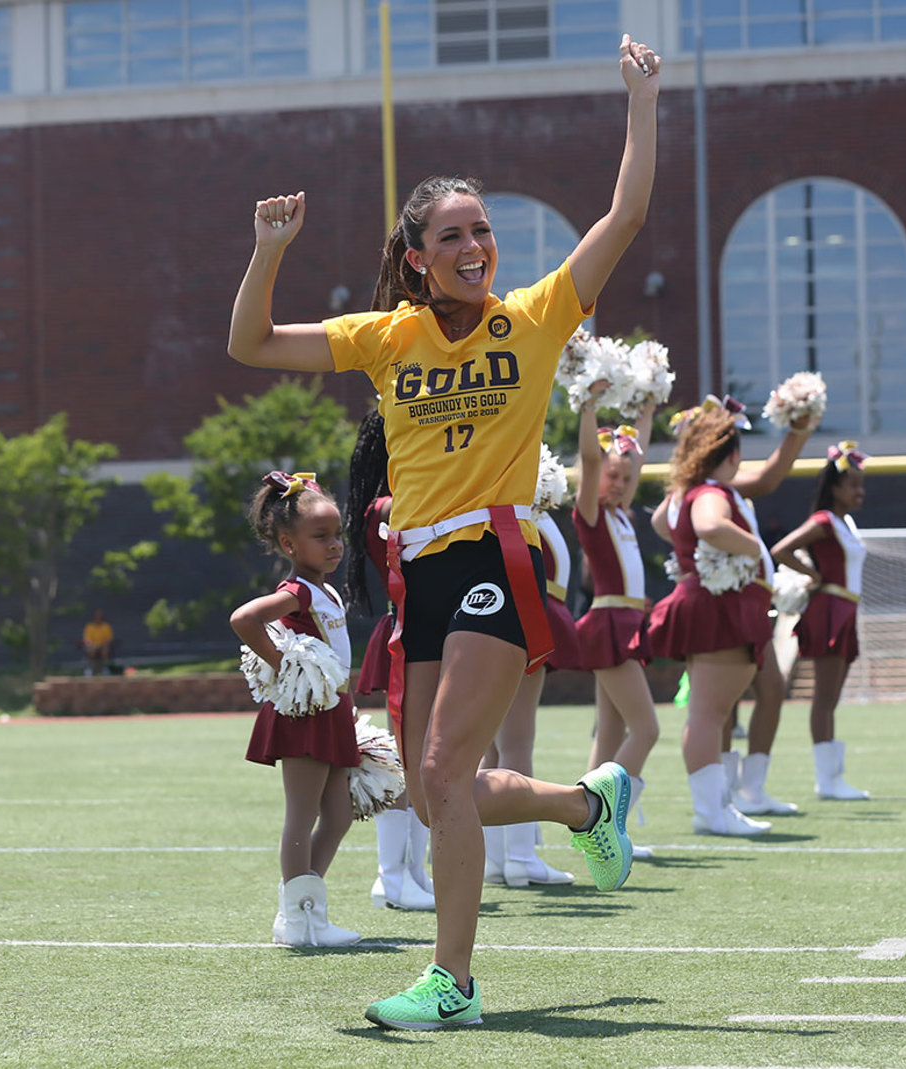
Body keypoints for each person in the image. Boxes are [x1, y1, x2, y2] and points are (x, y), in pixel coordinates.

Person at [228, 32, 660, 1031]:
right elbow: (249, 342)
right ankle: (588, 806)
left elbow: (626, 212)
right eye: (454, 237)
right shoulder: (391, 337)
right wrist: (267, 253)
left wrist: (640, 102)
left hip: (491, 557)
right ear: (417, 259)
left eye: (484, 232)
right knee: (436, 793)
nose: (476, 248)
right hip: (417, 574)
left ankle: (454, 982)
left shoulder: (538, 316)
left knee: (432, 774)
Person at [651, 401, 815, 824]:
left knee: (712, 711)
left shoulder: (688, 491)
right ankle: (712, 810)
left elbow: (663, 524)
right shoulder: (711, 493)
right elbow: (708, 526)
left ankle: (719, 804)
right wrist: (753, 549)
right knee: (708, 713)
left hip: (718, 603)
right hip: (719, 607)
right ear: (733, 454)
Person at [229, 471, 362, 948]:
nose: (334, 545)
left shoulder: (325, 589)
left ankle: (302, 907)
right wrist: (285, 664)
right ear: (288, 543)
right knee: (302, 814)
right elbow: (244, 619)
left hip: (332, 709)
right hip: (306, 712)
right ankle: (301, 922)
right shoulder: (299, 590)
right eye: (320, 536)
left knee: (340, 813)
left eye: (337, 535)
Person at [343, 409, 435, 911]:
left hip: (428, 633)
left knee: (422, 759)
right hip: (409, 633)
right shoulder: (387, 508)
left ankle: (411, 873)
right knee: (409, 760)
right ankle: (391, 878)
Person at [482, 447, 582, 888]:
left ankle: (497, 857)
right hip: (521, 620)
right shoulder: (515, 518)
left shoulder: (528, 517)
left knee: (493, 745)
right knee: (516, 743)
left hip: (515, 617)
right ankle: (519, 855)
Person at [573, 387, 659, 856]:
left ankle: (594, 826)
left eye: (626, 477)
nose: (621, 483)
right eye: (613, 476)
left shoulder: (622, 515)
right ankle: (602, 820)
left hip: (624, 622)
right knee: (646, 729)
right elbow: (590, 460)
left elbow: (636, 456)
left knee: (609, 733)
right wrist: (588, 407)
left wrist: (646, 408)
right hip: (608, 623)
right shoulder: (591, 516)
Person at [770, 441, 870, 800]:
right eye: (853, 484)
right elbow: (780, 549)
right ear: (835, 488)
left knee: (832, 698)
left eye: (861, 484)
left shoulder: (844, 523)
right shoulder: (824, 520)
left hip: (846, 609)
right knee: (824, 698)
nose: (860, 491)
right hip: (829, 608)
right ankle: (827, 781)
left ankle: (833, 778)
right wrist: (811, 573)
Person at [82, 609, 114, 676]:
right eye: (97, 616)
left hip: (103, 646)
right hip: (93, 646)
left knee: (105, 650)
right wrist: (93, 646)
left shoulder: (106, 627)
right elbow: (87, 639)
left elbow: (109, 639)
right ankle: (90, 669)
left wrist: (102, 646)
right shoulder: (89, 627)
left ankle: (104, 669)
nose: (98, 618)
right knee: (91, 650)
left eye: (100, 616)